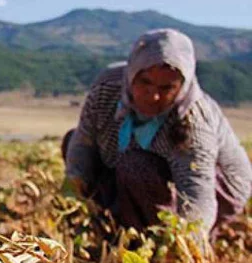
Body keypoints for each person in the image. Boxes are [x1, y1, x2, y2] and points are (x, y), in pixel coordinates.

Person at [63, 29, 251, 240]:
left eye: (167, 87)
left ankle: (149, 239)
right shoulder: (107, 88)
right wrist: (73, 197)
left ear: (182, 86)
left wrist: (186, 244)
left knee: (135, 166)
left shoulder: (192, 122)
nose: (153, 96)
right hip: (144, 170)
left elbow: (196, 194)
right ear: (132, 74)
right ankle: (118, 225)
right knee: (73, 142)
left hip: (218, 186)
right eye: (145, 82)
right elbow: (83, 142)